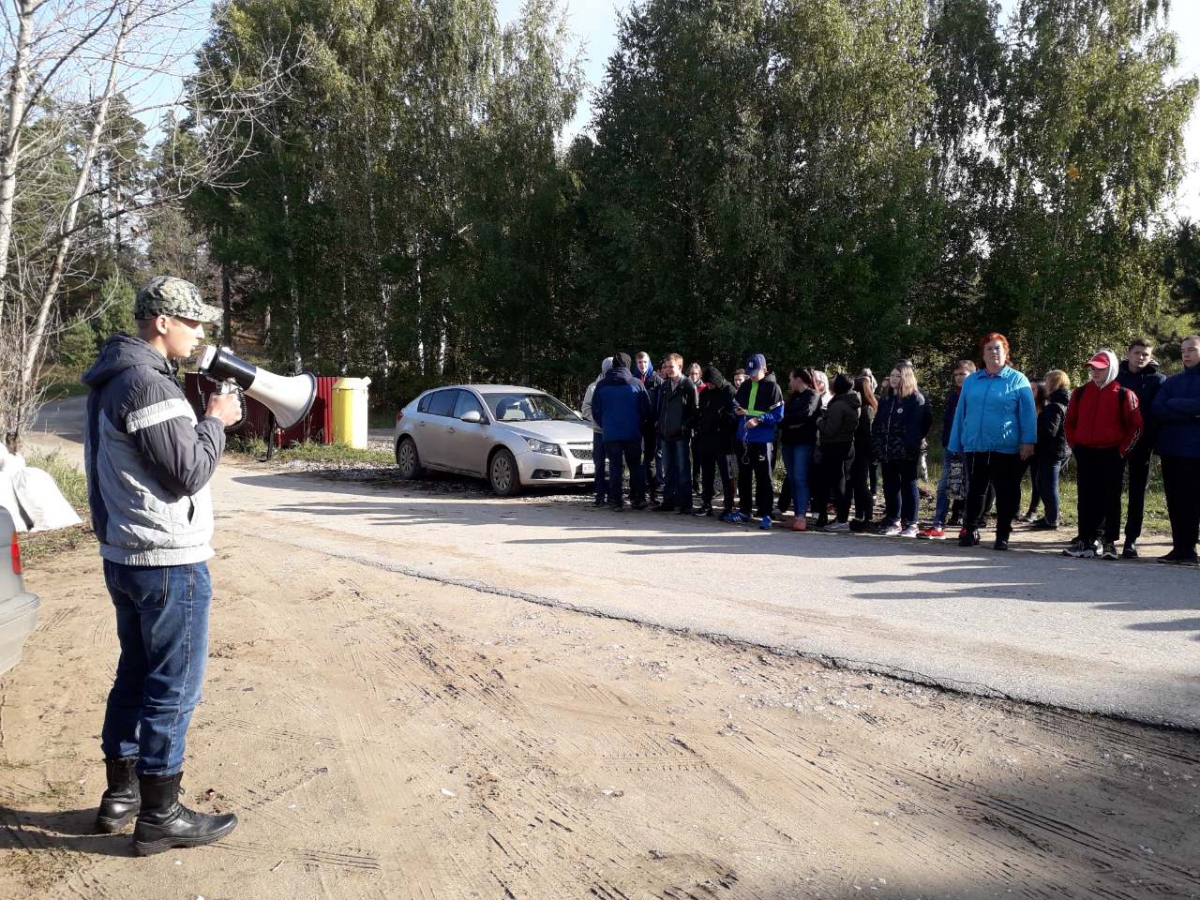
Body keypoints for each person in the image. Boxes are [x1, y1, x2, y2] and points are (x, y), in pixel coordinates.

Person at [81, 276, 242, 855]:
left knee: (135, 672)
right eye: (193, 321)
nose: (201, 332)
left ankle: (120, 796)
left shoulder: (114, 376)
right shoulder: (148, 384)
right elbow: (188, 473)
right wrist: (217, 418)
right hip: (167, 560)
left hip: (126, 553)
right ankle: (161, 816)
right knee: (173, 686)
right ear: (162, 323)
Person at [947, 333, 1037, 551]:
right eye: (988, 348)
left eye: (997, 348)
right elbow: (961, 413)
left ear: (1006, 353)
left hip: (1005, 448)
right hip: (975, 445)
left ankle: (1002, 535)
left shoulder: (1017, 380)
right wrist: (955, 442)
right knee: (975, 490)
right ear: (983, 354)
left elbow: (1028, 414)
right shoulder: (972, 381)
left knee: (1005, 492)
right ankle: (970, 530)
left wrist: (1029, 441)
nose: (993, 352)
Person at [1063, 350, 1143, 560]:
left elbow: (1135, 427)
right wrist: (1075, 446)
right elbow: (1069, 423)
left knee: (1110, 498)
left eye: (1100, 368)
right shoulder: (1080, 393)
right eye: (1092, 368)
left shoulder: (1124, 394)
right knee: (1086, 497)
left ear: (1112, 368)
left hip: (1112, 453)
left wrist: (1121, 451)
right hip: (1085, 452)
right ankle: (1086, 540)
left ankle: (1109, 542)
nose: (1095, 372)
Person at [1150, 334, 1200, 566]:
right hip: (1171, 450)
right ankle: (1179, 548)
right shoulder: (1172, 382)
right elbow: (1158, 408)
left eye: (1192, 349)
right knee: (1175, 501)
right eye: (1183, 350)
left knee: (1192, 502)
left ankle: (1190, 550)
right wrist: (1190, 413)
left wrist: (1174, 403)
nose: (1186, 354)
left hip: (1195, 452)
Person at [1116, 338, 1166, 558]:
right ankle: (1105, 535)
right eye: (1137, 353)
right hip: (1115, 440)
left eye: (1146, 354)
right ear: (1128, 353)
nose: (1141, 358)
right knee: (1110, 488)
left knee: (1137, 492)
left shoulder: (1158, 380)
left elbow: (1157, 411)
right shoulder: (1116, 375)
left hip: (1143, 443)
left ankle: (1131, 539)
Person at [872, 362, 933, 537]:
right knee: (890, 487)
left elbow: (925, 423)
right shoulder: (886, 398)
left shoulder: (916, 398)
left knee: (908, 485)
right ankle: (894, 520)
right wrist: (877, 443)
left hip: (907, 451)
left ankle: (912, 523)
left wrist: (911, 443)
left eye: (897, 376)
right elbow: (878, 423)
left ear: (906, 377)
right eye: (891, 375)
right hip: (886, 450)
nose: (893, 379)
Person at [920, 360, 975, 539]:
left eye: (963, 374)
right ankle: (938, 524)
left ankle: (968, 525)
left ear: (972, 375)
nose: (959, 378)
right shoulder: (953, 395)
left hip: (970, 448)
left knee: (969, 487)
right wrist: (946, 441)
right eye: (956, 375)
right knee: (943, 486)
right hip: (951, 446)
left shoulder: (975, 395)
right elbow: (948, 421)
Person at [729, 354, 785, 529]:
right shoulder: (745, 385)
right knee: (744, 477)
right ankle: (745, 511)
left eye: (755, 372)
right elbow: (735, 405)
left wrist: (759, 420)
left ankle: (766, 514)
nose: (752, 375)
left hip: (763, 440)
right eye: (750, 372)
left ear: (764, 369)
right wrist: (737, 411)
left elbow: (778, 415)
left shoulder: (773, 387)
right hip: (743, 438)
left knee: (764, 479)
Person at [591, 353, 652, 512]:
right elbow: (646, 409)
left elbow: (595, 410)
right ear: (628, 364)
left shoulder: (601, 385)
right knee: (635, 466)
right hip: (632, 432)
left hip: (611, 433)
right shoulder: (636, 383)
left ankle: (615, 500)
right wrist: (639, 423)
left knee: (615, 467)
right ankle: (639, 499)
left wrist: (606, 425)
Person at [814, 373, 861, 531]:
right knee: (843, 483)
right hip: (846, 445)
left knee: (837, 483)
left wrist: (820, 421)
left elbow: (830, 429)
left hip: (835, 446)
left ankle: (841, 519)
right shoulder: (852, 401)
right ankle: (841, 516)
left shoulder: (839, 405)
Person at [655, 353, 699, 514]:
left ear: (679, 367)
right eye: (665, 367)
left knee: (683, 469)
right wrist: (660, 425)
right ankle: (669, 501)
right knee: (668, 469)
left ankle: (685, 503)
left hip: (681, 434)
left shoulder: (688, 385)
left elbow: (695, 412)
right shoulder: (665, 386)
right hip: (666, 434)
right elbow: (662, 409)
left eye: (670, 366)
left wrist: (685, 427)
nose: (667, 369)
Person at [778, 368, 821, 532]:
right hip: (789, 441)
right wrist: (791, 421)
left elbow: (805, 415)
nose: (789, 383)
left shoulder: (813, 395)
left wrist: (790, 420)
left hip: (803, 442)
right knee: (792, 478)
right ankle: (796, 515)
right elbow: (782, 418)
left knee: (800, 477)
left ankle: (801, 516)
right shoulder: (793, 397)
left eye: (791, 379)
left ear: (799, 379)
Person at [692, 365, 737, 518]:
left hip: (724, 439)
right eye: (707, 383)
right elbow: (701, 412)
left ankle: (729, 506)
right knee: (707, 473)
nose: (709, 385)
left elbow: (734, 415)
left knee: (726, 475)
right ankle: (706, 504)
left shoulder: (729, 391)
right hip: (706, 438)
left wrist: (720, 418)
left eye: (711, 382)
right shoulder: (705, 392)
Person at [1030, 370, 1071, 531]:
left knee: (1048, 484)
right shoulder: (1063, 401)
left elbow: (1049, 431)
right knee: (1042, 482)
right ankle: (1049, 515)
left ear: (1054, 384)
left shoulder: (1054, 406)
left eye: (1047, 382)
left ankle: (1052, 519)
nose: (1044, 385)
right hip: (1060, 449)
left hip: (1052, 451)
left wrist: (1034, 433)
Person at [581, 357, 613, 507]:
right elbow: (586, 409)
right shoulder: (593, 387)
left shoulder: (618, 385)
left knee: (615, 463)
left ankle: (613, 493)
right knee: (599, 463)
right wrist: (599, 422)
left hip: (615, 431)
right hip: (599, 431)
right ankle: (600, 494)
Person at [633, 351, 663, 503]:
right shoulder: (632, 379)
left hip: (652, 425)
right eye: (639, 363)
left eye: (645, 362)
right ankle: (638, 493)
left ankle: (654, 492)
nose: (642, 365)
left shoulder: (657, 380)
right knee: (636, 458)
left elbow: (661, 404)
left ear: (649, 362)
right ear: (636, 364)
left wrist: (658, 421)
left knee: (650, 459)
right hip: (636, 425)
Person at [849, 376, 878, 531]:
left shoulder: (866, 410)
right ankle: (860, 515)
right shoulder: (865, 407)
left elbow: (867, 434)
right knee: (857, 484)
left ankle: (868, 516)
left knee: (861, 484)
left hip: (863, 451)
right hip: (860, 450)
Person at [1016, 378, 1046, 523]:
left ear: (1040, 391)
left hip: (1039, 451)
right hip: (1022, 448)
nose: (1030, 391)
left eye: (1033, 389)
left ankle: (1032, 511)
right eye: (1028, 388)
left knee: (1036, 481)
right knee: (1014, 478)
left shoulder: (1045, 408)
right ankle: (1014, 509)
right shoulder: (1022, 406)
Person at [688, 363, 705, 493]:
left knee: (699, 457)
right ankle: (691, 483)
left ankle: (698, 484)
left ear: (700, 375)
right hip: (688, 425)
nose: (693, 376)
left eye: (696, 373)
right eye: (691, 373)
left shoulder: (704, 388)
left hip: (700, 427)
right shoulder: (685, 386)